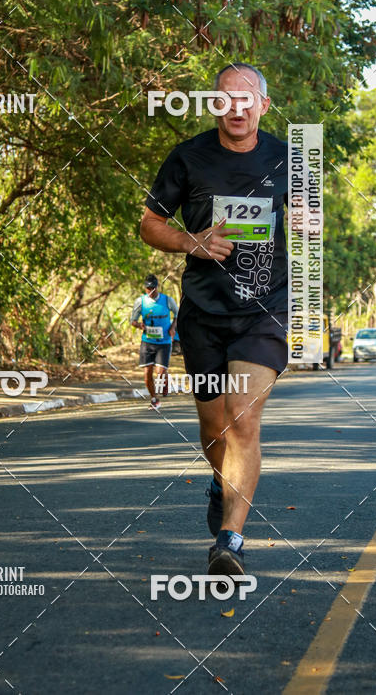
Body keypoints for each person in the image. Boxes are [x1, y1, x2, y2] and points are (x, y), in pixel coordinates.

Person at [140, 62, 289, 577]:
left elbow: (311, 228)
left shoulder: (289, 160)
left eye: (247, 99)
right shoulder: (188, 157)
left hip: (264, 313)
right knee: (213, 428)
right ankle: (219, 480)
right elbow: (150, 223)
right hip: (203, 313)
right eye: (226, 99)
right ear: (214, 105)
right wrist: (191, 242)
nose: (237, 108)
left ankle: (231, 540)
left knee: (244, 419)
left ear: (263, 106)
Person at [130, 274, 178, 409]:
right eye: (148, 289)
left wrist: (173, 328)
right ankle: (154, 399)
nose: (150, 291)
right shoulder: (140, 302)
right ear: (145, 288)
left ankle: (165, 377)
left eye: (153, 288)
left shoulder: (168, 300)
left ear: (157, 287)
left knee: (160, 373)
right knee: (147, 373)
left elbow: (177, 315)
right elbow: (132, 321)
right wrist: (140, 325)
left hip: (164, 342)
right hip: (147, 341)